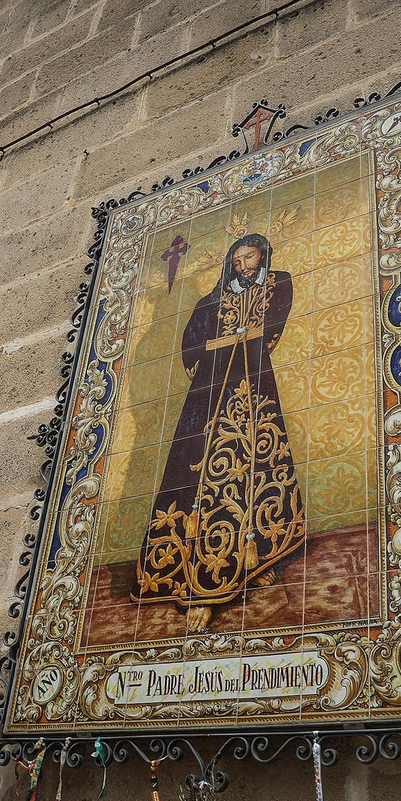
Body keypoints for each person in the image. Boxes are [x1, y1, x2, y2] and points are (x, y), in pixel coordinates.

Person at [131, 227, 306, 633]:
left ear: (262, 257)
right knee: (195, 469)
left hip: (252, 380)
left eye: (251, 258)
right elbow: (192, 340)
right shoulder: (211, 300)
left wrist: (249, 338)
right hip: (209, 391)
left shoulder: (277, 281)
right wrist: (209, 351)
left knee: (257, 462)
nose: (244, 266)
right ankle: (197, 584)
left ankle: (257, 556)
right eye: (238, 260)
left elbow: (277, 311)